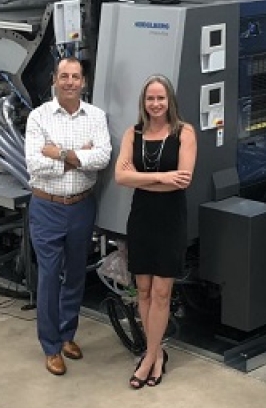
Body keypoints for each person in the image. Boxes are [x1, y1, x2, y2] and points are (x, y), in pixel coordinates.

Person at [24, 57, 112, 376]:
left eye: (76, 77)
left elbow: (101, 157)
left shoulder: (97, 117)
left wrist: (59, 153)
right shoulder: (39, 118)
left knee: (75, 273)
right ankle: (50, 346)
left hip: (81, 206)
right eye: (64, 76)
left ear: (84, 82)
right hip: (47, 206)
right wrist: (78, 156)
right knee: (49, 276)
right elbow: (35, 164)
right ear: (54, 81)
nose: (70, 82)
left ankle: (67, 334)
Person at [114, 75, 197, 389]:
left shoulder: (184, 133)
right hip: (142, 219)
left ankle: (149, 359)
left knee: (162, 293)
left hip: (170, 220)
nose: (156, 104)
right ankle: (156, 353)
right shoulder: (132, 134)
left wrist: (143, 178)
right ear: (143, 102)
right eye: (151, 98)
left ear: (170, 101)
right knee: (144, 291)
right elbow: (121, 177)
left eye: (161, 98)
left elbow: (184, 180)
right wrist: (164, 177)